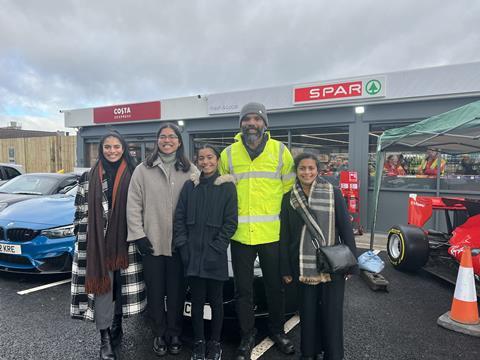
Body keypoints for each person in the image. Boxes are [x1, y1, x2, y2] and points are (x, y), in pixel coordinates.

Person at [219, 102, 296, 360]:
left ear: (265, 123)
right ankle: (247, 335)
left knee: (275, 287)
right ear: (240, 123)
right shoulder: (228, 155)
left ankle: (277, 330)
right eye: (247, 119)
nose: (252, 123)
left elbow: (289, 193)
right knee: (243, 289)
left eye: (257, 119)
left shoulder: (280, 152)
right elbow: (222, 194)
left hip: (272, 235)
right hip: (240, 235)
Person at [71, 132, 146, 360]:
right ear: (101, 149)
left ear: (123, 148)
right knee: (103, 290)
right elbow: (80, 210)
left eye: (116, 146)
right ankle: (104, 339)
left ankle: (117, 323)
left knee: (120, 289)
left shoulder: (135, 174)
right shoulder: (88, 176)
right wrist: (84, 238)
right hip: (96, 244)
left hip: (128, 242)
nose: (112, 151)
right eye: (107, 147)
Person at [127, 123, 198, 357]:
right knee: (156, 293)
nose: (167, 140)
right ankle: (159, 333)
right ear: (157, 141)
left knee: (177, 292)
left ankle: (174, 332)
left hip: (179, 245)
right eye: (163, 136)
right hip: (152, 243)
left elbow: (201, 204)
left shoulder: (191, 171)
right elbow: (134, 205)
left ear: (179, 142)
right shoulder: (142, 170)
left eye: (172, 137)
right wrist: (138, 235)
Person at [279, 153, 358, 360]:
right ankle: (309, 353)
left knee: (332, 313)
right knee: (308, 312)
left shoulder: (333, 193)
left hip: (332, 263)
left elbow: (345, 229)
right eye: (302, 168)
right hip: (302, 265)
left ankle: (334, 354)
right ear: (296, 171)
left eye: (311, 168)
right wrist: (285, 268)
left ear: (318, 170)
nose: (307, 172)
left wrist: (352, 264)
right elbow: (284, 235)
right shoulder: (289, 198)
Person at [174, 144, 238, 360]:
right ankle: (199, 343)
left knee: (216, 301)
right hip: (192, 255)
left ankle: (215, 343)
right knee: (198, 302)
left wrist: (217, 247)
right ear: (197, 161)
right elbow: (179, 219)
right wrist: (183, 246)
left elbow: (231, 223)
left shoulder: (227, 187)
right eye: (201, 158)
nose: (205, 162)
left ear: (217, 160)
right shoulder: (190, 186)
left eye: (210, 157)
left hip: (215, 255)